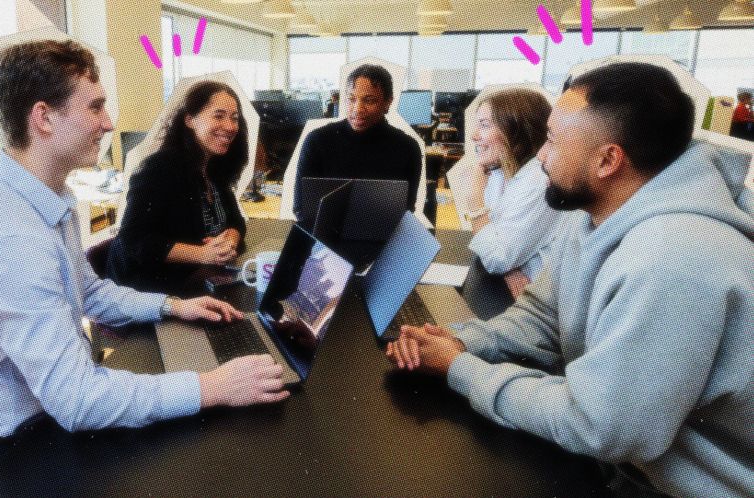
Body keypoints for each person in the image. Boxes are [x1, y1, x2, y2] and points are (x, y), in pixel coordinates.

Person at [387, 62, 754, 497]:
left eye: (553, 142)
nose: (541, 156)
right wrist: (463, 340)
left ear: (607, 160)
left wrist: (460, 369)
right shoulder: (596, 214)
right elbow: (543, 316)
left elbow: (601, 425)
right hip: (626, 465)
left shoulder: (672, 259)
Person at [0, 39, 288, 494]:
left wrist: (171, 307)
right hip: (5, 453)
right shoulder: (7, 234)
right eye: (96, 107)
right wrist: (211, 387)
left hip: (42, 417)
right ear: (44, 118)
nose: (109, 123)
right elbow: (77, 399)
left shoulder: (48, 198)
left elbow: (91, 291)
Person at [106, 81, 249, 295]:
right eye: (218, 116)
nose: (230, 126)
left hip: (192, 284)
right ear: (190, 120)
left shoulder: (214, 168)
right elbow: (133, 240)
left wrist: (231, 237)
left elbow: (236, 221)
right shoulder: (160, 168)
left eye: (234, 118)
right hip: (146, 293)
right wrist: (203, 254)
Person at [464, 88, 568, 299]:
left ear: (516, 130)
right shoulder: (501, 173)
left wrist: (475, 202)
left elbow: (497, 257)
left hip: (542, 304)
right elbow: (496, 245)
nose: (474, 136)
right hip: (516, 292)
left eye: (484, 125)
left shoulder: (539, 181)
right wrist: (509, 267)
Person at [293, 64, 422, 217]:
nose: (357, 109)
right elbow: (301, 207)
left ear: (388, 102)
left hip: (384, 237)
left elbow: (406, 210)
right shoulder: (317, 141)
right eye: (351, 99)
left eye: (369, 100)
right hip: (324, 235)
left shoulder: (407, 148)